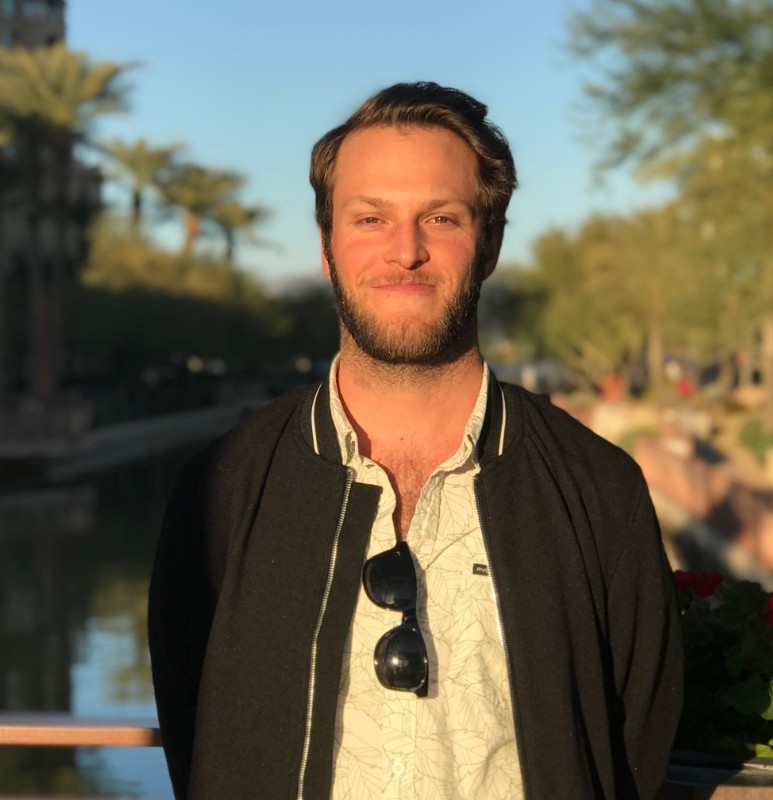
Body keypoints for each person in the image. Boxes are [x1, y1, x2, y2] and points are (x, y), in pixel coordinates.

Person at [149, 82, 683, 800]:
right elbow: (197, 739)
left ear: (488, 244)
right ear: (327, 246)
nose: (406, 252)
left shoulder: (598, 491)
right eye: (370, 218)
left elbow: (635, 749)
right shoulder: (224, 489)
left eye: (440, 217)